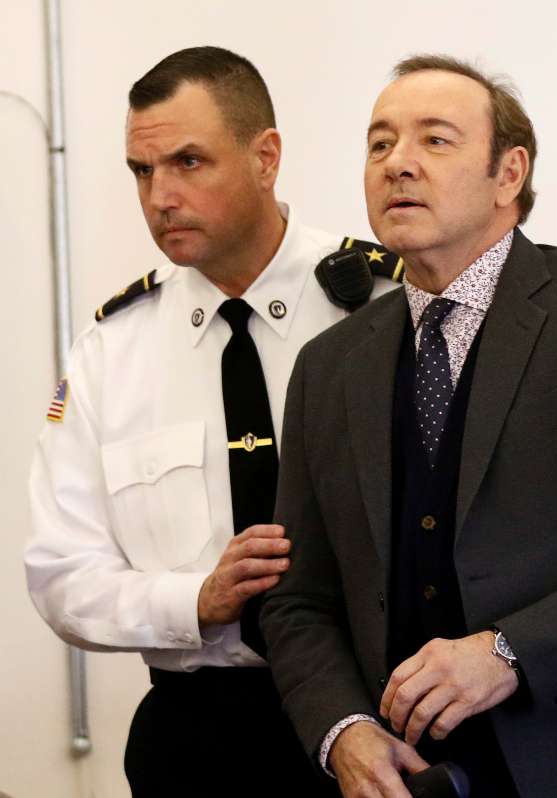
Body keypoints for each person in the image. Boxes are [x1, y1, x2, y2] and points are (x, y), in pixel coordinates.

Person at [259, 54, 557, 798]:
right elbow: (300, 599)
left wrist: (509, 652)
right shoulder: (328, 367)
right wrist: (341, 730)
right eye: (380, 143)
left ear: (508, 174)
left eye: (435, 140)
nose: (398, 163)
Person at [25, 46, 393, 796]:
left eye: (188, 162)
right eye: (141, 171)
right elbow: (62, 574)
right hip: (201, 733)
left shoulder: (385, 304)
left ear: (266, 157)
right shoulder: (113, 350)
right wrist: (194, 600)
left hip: (380, 716)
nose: (160, 196)